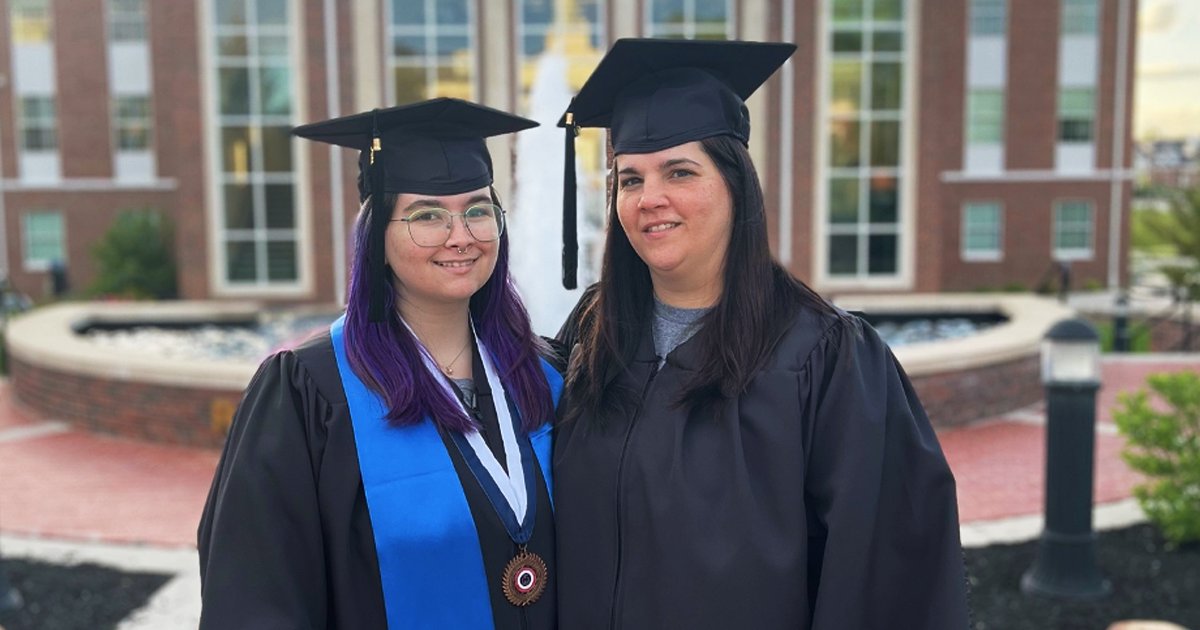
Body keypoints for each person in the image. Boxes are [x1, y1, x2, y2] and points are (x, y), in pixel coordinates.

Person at [552, 39, 970, 629]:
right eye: (630, 179)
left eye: (680, 171)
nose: (651, 199)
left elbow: (886, 578)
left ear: (734, 183)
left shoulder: (826, 360)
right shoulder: (593, 336)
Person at [198, 98, 563, 629]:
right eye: (427, 216)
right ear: (378, 237)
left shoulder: (546, 375)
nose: (460, 236)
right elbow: (256, 594)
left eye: (478, 210)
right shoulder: (311, 394)